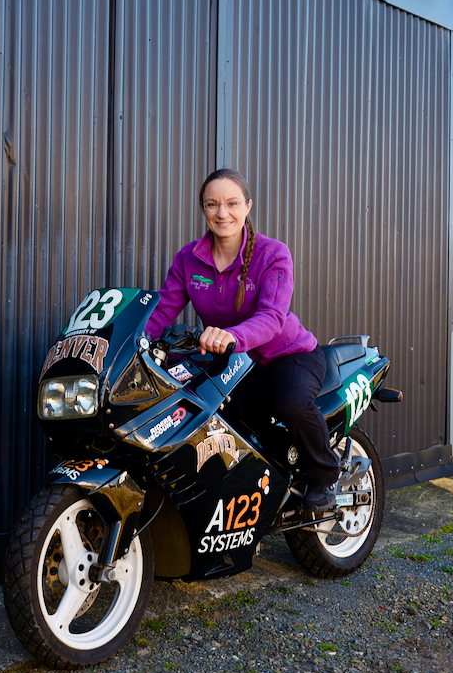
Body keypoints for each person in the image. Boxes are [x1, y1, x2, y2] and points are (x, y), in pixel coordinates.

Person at [144, 168, 340, 512]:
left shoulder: (273, 254)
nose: (223, 213)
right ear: (203, 209)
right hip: (234, 363)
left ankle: (325, 474)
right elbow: (162, 311)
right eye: (212, 204)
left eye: (232, 203)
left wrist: (232, 336)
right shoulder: (189, 259)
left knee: (291, 406)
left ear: (247, 206)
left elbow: (272, 316)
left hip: (288, 354)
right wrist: (135, 342)